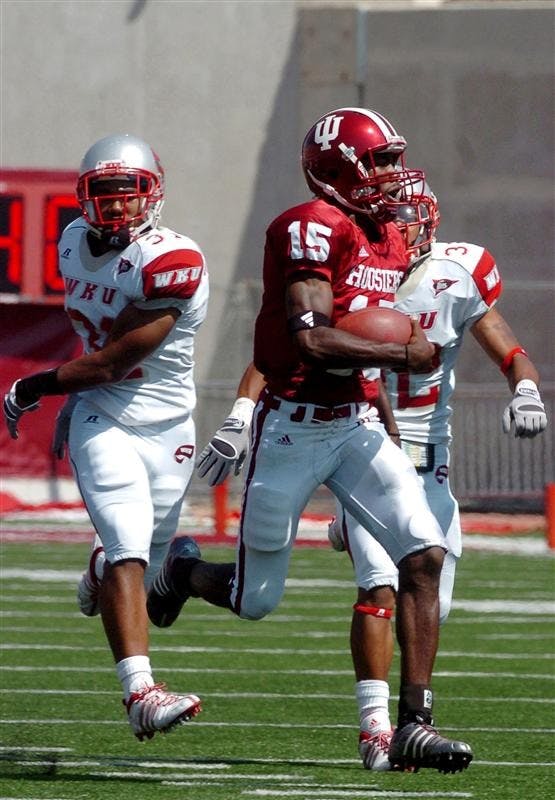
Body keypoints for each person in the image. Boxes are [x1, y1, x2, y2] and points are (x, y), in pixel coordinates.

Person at [147, 108, 474, 773]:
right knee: (255, 600)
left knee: (424, 555)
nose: (390, 174)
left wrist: (387, 390)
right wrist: (400, 356)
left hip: (354, 424)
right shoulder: (309, 226)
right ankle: (180, 571)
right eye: (377, 160)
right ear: (335, 168)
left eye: (391, 159)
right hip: (291, 427)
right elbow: (312, 339)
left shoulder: (384, 234)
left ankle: (413, 723)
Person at [191, 184, 548, 771]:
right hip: (355, 433)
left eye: (414, 220)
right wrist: (238, 415)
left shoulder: (459, 271)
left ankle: (408, 716)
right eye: (396, 219)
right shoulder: (352, 259)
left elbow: (507, 345)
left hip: (428, 461)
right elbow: (285, 345)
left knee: (428, 594)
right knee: (371, 588)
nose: (405, 231)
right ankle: (379, 730)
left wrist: (527, 388)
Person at [3, 133, 207, 741]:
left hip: (168, 422)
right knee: (127, 545)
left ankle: (97, 572)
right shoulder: (71, 244)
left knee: (139, 572)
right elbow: (100, 355)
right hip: (105, 417)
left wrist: (40, 385)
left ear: (155, 194)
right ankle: (140, 693)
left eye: (130, 193)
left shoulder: (173, 257)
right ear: (84, 197)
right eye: (105, 194)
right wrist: (78, 397)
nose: (118, 206)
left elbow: (118, 356)